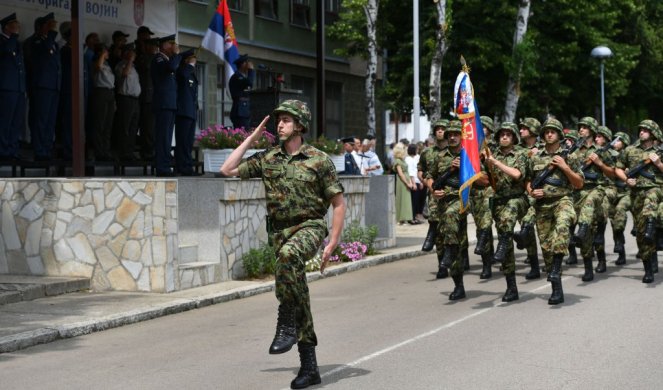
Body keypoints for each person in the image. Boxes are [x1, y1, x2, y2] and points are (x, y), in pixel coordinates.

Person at [220, 99, 345, 390]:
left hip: (310, 226)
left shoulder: (318, 160)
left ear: (300, 125)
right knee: (297, 291)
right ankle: (309, 366)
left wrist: (333, 242)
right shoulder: (268, 158)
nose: (280, 125)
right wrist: (251, 138)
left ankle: (285, 319)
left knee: (290, 257)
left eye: (286, 120)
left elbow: (338, 203)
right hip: (279, 232)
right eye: (278, 121)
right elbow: (227, 169)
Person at [427, 122, 488, 300]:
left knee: (451, 220)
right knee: (458, 245)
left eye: (456, 134)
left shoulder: (471, 155)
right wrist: (434, 190)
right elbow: (430, 176)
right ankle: (459, 285)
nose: (452, 137)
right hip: (445, 201)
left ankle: (449, 250)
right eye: (449, 134)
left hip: (466, 200)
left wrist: (466, 167)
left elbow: (484, 181)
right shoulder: (439, 157)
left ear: (462, 136)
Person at [526, 118, 584, 305]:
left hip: (563, 200)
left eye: (553, 131)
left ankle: (557, 266)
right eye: (546, 131)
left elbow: (579, 183)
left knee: (563, 226)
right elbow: (528, 181)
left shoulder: (571, 156)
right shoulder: (535, 157)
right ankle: (556, 288)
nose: (549, 134)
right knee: (546, 248)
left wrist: (565, 167)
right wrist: (532, 191)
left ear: (560, 135)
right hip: (542, 206)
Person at [614, 120, 663, 283]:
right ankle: (648, 267)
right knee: (641, 235)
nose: (641, 132)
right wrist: (627, 180)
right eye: (640, 129)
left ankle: (651, 227)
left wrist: (658, 163)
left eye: (645, 130)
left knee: (652, 197)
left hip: (656, 189)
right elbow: (618, 168)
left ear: (653, 133)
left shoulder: (659, 151)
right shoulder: (630, 150)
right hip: (636, 194)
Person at [485, 122, 529, 301]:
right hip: (498, 202)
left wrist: (494, 162)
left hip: (517, 199)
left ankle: (503, 243)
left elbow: (517, 174)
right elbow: (484, 178)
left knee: (509, 216)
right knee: (507, 246)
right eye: (502, 134)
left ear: (514, 138)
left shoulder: (520, 154)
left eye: (508, 134)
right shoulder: (490, 155)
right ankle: (511, 287)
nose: (504, 137)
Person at [571, 116, 613, 282]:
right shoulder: (575, 151)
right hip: (579, 191)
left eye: (585, 127)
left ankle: (601, 259)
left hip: (598, 190)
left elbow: (612, 173)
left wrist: (600, 163)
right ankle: (588, 267)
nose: (581, 129)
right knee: (588, 233)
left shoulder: (602, 151)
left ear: (592, 130)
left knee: (592, 224)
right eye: (580, 127)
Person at [28, 12, 60, 161]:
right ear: (41, 27)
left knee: (50, 121)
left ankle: (46, 149)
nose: (53, 27)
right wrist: (51, 33)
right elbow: (44, 53)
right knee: (40, 119)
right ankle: (39, 150)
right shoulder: (35, 41)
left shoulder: (53, 43)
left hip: (53, 86)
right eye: (49, 25)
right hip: (41, 86)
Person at [418, 119, 448, 277]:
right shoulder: (427, 152)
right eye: (438, 129)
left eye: (443, 129)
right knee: (437, 227)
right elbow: (421, 172)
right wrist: (431, 187)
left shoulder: (457, 151)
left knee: (452, 231)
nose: (440, 131)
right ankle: (442, 265)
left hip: (454, 195)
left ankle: (459, 260)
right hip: (434, 194)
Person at [151, 34, 181, 176]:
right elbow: (172, 67)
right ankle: (162, 167)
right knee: (163, 137)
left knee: (167, 137)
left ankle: (165, 166)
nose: (173, 46)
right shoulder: (159, 59)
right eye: (171, 44)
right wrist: (176, 55)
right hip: (163, 104)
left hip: (170, 104)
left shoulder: (168, 60)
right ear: (164, 46)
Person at [0, 13, 26, 160]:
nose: (18, 28)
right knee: (5, 120)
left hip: (18, 88)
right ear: (7, 27)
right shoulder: (3, 41)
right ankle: (3, 151)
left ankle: (12, 150)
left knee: (16, 121)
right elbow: (6, 51)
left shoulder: (15, 42)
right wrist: (14, 37)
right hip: (7, 87)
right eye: (15, 25)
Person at [113, 43, 142, 161]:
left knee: (133, 127)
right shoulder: (121, 65)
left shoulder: (134, 67)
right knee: (124, 126)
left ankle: (129, 152)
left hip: (135, 100)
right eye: (131, 52)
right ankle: (123, 152)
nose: (133, 54)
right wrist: (129, 60)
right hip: (125, 98)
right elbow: (124, 74)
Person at [175, 49, 199, 175]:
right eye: (192, 58)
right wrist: (189, 66)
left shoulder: (191, 73)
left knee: (188, 142)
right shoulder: (182, 71)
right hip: (183, 111)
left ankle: (187, 166)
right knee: (183, 141)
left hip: (191, 111)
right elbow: (183, 76)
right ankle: (182, 166)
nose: (194, 61)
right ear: (186, 60)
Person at [608, 132, 631, 265]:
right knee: (613, 221)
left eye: (618, 140)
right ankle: (620, 250)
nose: (615, 143)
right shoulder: (610, 155)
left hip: (628, 192)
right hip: (614, 191)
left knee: (620, 212)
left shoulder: (631, 155)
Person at [90, 43, 116, 161]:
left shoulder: (108, 65)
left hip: (110, 92)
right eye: (106, 51)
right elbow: (98, 67)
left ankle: (106, 150)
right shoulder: (96, 61)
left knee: (108, 124)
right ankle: (99, 151)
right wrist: (101, 54)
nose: (108, 53)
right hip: (100, 92)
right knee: (100, 122)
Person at [135, 37, 158, 160]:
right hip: (146, 98)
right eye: (153, 46)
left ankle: (152, 151)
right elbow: (147, 67)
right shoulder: (144, 58)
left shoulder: (154, 58)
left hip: (154, 98)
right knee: (147, 128)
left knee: (153, 128)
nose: (155, 48)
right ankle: (148, 152)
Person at [228, 54, 254, 129]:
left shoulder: (243, 77)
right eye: (247, 63)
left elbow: (249, 84)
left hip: (244, 110)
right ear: (242, 64)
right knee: (242, 136)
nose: (248, 65)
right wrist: (251, 70)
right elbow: (249, 82)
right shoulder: (237, 77)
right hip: (239, 111)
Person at [393, 142, 414, 225]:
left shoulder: (402, 160)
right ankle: (401, 218)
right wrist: (407, 183)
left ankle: (404, 218)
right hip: (402, 181)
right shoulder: (398, 161)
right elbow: (400, 174)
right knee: (402, 199)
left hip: (406, 179)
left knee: (406, 199)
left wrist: (410, 182)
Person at [405, 143, 424, 223]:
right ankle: (412, 217)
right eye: (416, 149)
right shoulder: (408, 159)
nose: (417, 150)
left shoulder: (414, 158)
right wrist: (413, 183)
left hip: (417, 180)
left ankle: (415, 216)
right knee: (413, 201)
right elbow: (411, 172)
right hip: (413, 181)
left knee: (417, 200)